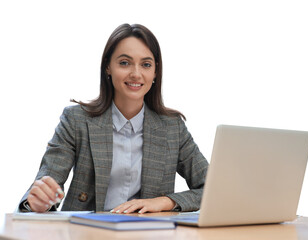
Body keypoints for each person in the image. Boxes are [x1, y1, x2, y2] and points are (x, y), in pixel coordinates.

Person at [18, 23, 208, 214]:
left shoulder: (172, 127)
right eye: (125, 63)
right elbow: (46, 183)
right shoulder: (76, 120)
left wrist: (164, 202)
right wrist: (38, 201)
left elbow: (211, 187)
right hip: (86, 233)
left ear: (155, 72)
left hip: (148, 233)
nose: (136, 73)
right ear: (108, 66)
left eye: (146, 64)